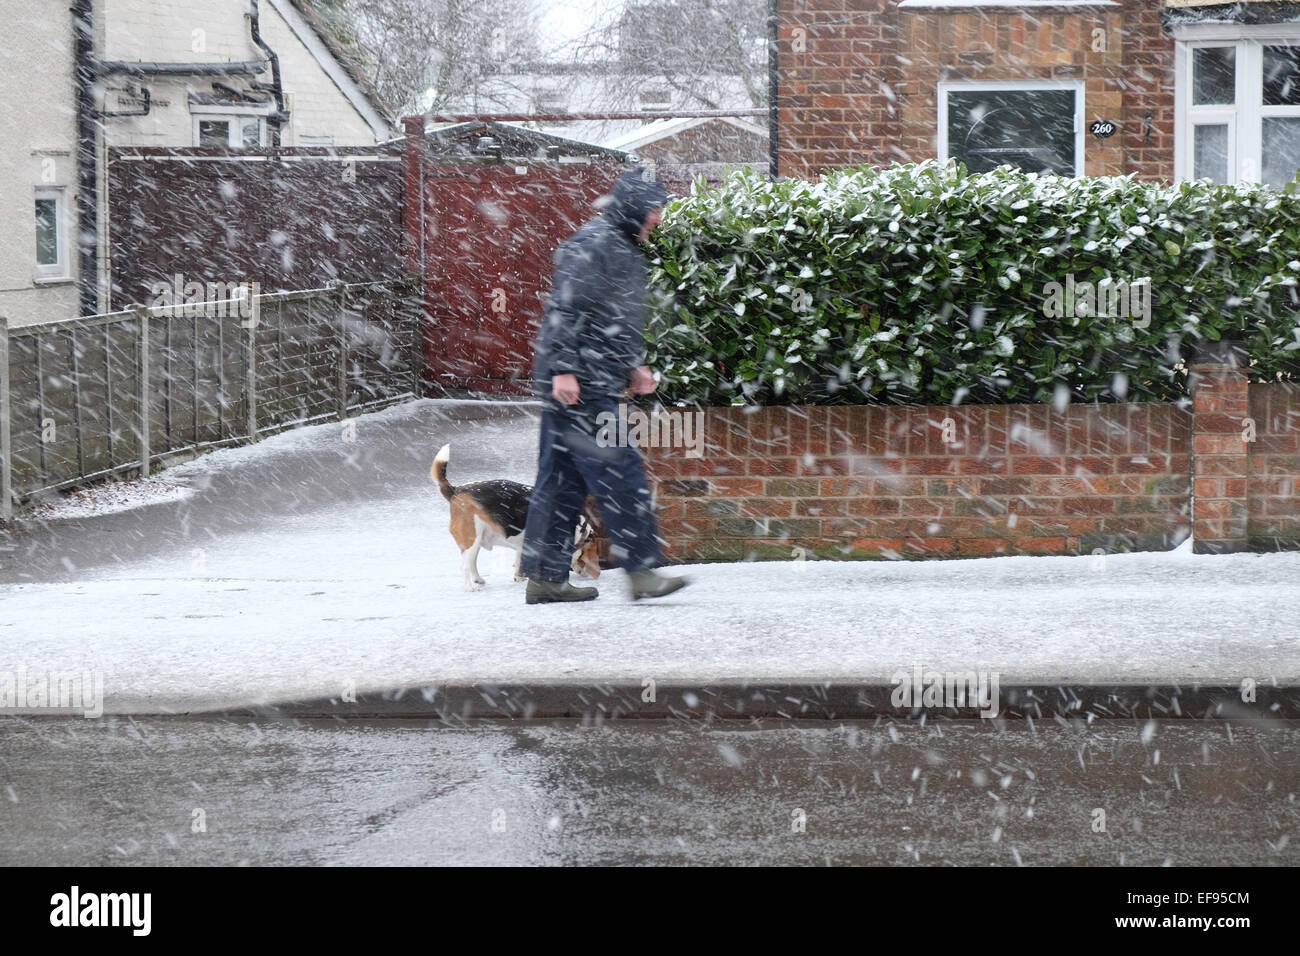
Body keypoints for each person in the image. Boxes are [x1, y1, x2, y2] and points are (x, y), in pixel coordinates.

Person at [520, 167, 689, 604]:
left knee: (560, 483)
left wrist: (632, 365)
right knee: (620, 471)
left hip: (583, 379)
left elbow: (612, 319)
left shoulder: (618, 245)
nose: (658, 218)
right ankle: (642, 570)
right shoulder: (597, 244)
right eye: (654, 209)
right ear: (635, 208)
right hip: (580, 383)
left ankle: (545, 578)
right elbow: (566, 307)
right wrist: (562, 368)